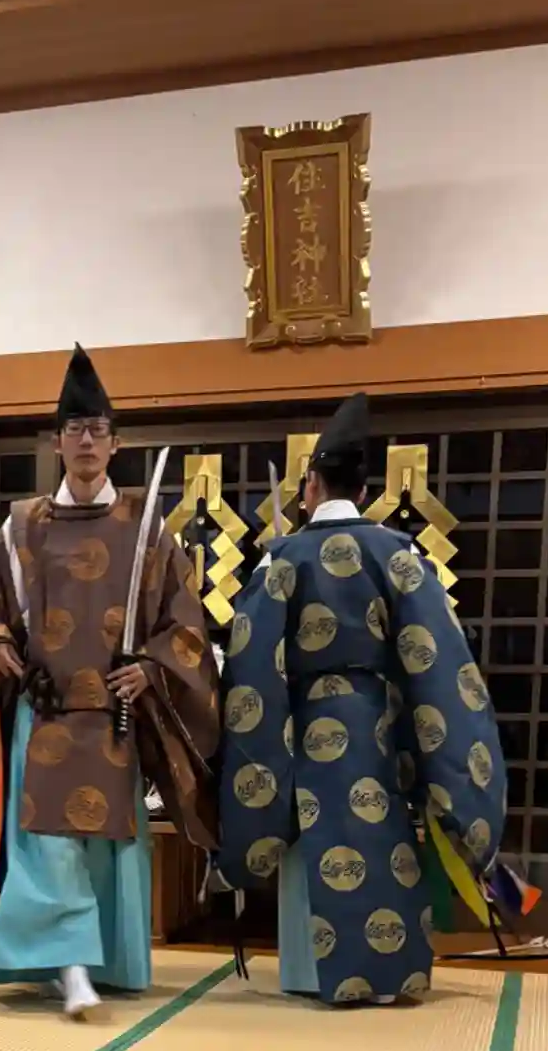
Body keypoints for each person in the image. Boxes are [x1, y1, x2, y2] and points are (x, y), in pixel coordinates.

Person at [0, 344, 219, 1016]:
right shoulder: (23, 527)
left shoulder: (146, 529)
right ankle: (71, 969)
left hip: (112, 717)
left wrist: (152, 666)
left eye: (98, 430)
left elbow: (184, 621)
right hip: (44, 713)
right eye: (75, 430)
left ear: (116, 443)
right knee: (48, 844)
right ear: (57, 442)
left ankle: (101, 962)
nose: (87, 442)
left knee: (106, 846)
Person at [216, 393, 505, 1004]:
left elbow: (251, 664)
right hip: (377, 726)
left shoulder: (281, 560)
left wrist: (265, 748)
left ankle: (310, 974)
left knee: (312, 843)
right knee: (379, 839)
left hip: (305, 726)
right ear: (365, 488)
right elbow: (439, 661)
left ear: (310, 486)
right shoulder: (399, 554)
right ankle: (386, 974)